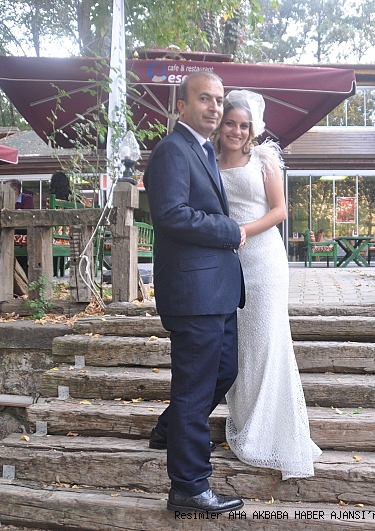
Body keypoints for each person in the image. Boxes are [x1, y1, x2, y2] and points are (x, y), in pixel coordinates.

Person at [143, 71, 246, 515]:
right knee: (193, 388)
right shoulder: (172, 150)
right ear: (181, 106)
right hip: (193, 294)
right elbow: (170, 214)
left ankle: (172, 430)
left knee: (224, 372)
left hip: (216, 293)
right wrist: (230, 230)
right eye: (205, 98)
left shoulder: (202, 150)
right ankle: (189, 486)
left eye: (219, 100)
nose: (214, 107)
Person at [212, 90, 321, 479]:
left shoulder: (264, 158)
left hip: (263, 258)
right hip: (228, 260)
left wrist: (243, 230)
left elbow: (279, 210)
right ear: (220, 124)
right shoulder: (207, 160)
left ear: (252, 128)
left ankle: (272, 430)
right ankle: (246, 420)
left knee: (266, 339)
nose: (237, 131)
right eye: (230, 123)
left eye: (244, 125)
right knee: (240, 344)